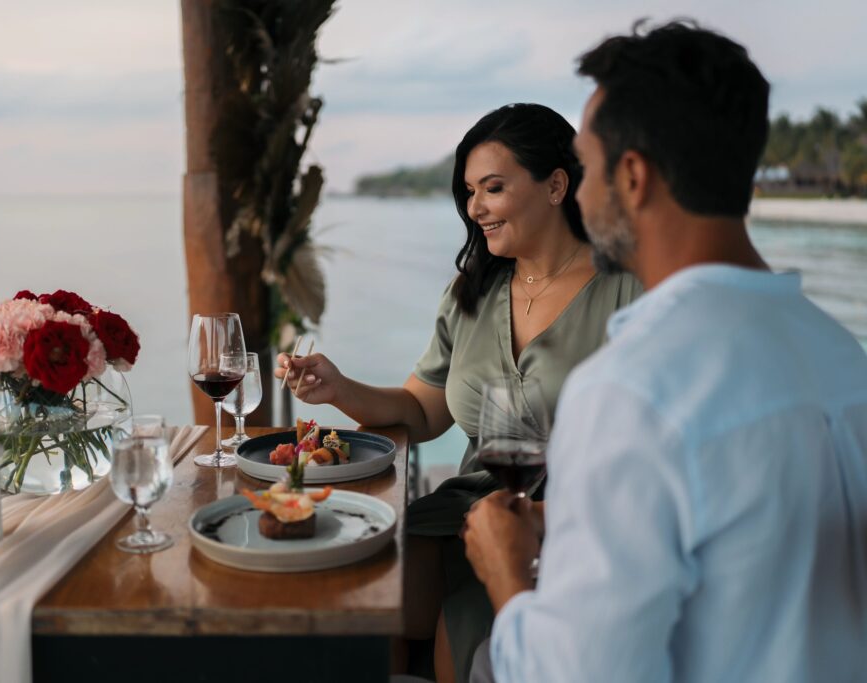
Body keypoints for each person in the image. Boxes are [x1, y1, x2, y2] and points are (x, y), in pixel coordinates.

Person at [463, 20, 867, 682]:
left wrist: (508, 573)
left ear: (633, 176)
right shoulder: (844, 359)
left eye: (586, 169)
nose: (580, 192)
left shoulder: (631, 392)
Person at [276, 103, 642, 683]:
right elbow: (422, 412)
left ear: (555, 185)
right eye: (469, 191)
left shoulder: (629, 292)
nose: (475, 208)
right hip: (470, 503)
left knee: (457, 615)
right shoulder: (471, 292)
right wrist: (337, 387)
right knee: (369, 585)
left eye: (492, 188)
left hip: (576, 515)